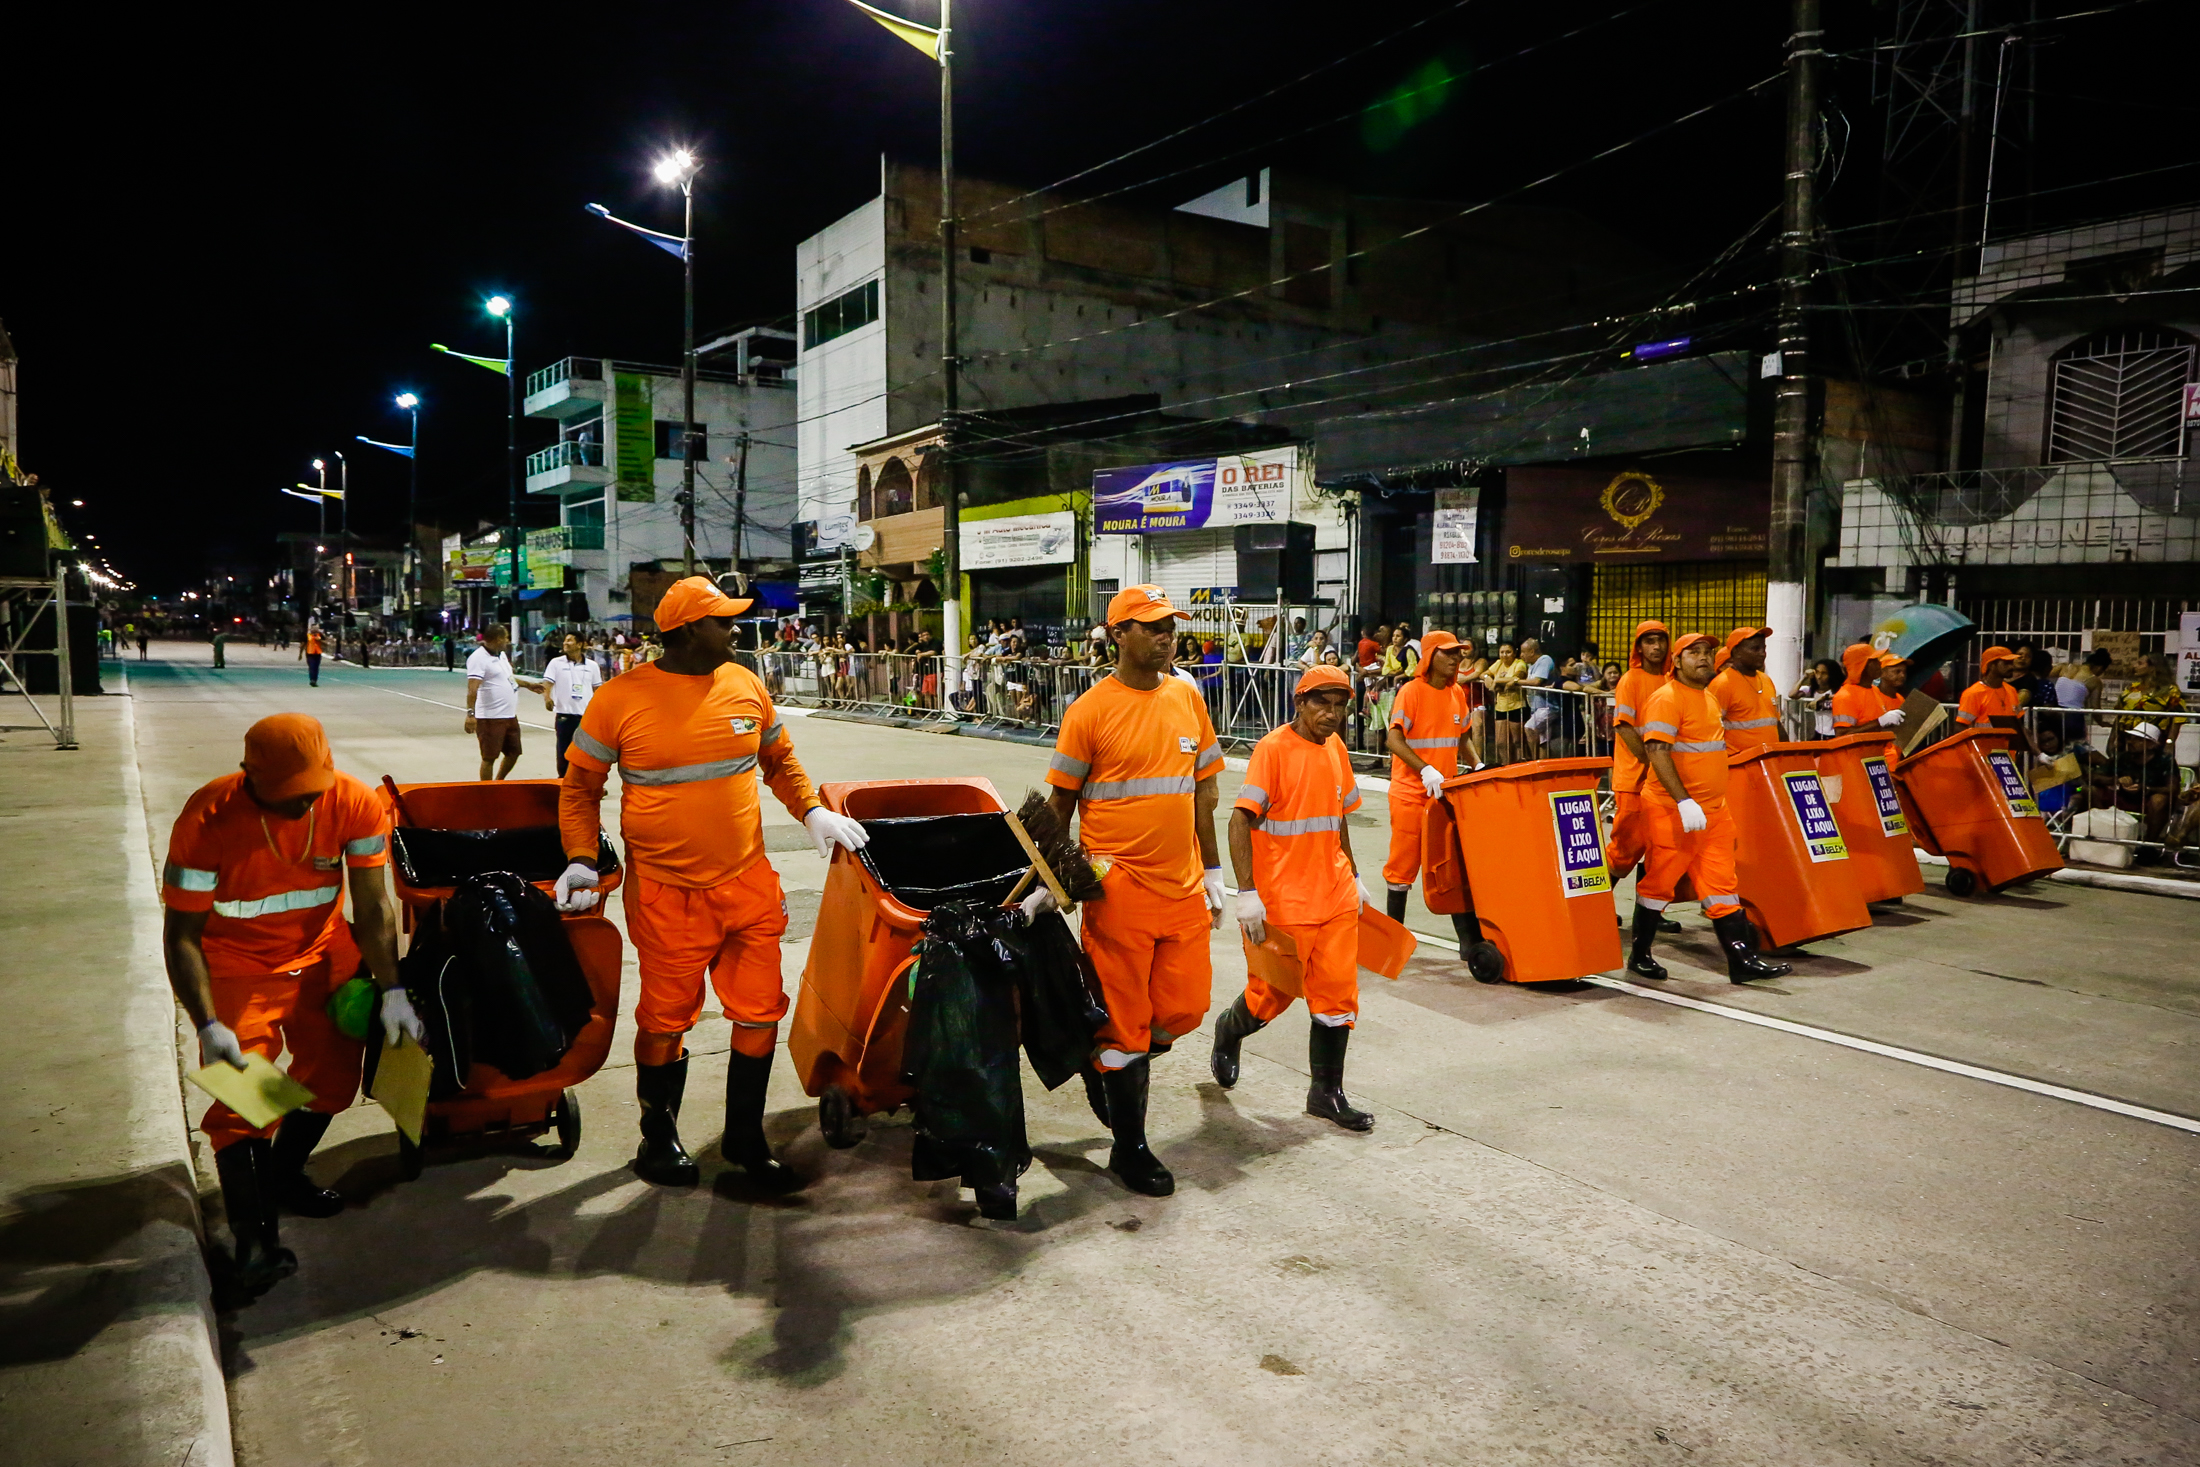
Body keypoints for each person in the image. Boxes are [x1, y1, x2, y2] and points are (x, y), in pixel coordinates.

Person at [556, 576, 869, 1190]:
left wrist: (812, 811)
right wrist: (579, 859)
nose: (736, 630)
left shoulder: (745, 684)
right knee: (665, 1021)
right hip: (667, 892)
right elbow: (579, 790)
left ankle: (746, 1141)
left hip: (746, 883)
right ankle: (658, 1139)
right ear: (690, 630)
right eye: (724, 621)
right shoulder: (619, 699)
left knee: (759, 1013)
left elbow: (779, 760)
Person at [160, 714, 420, 1298]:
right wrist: (207, 1022)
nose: (301, 809)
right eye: (285, 798)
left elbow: (374, 905)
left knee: (332, 1076)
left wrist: (393, 986)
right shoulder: (207, 818)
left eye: (309, 795)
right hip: (234, 966)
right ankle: (255, 1242)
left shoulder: (353, 802)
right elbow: (181, 934)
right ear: (249, 775)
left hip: (323, 950)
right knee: (244, 1099)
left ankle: (280, 1174)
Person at [1034, 584, 1225, 1198]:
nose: (1166, 634)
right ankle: (1130, 1147)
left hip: (1183, 885)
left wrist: (1217, 873)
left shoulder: (1188, 698)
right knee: (1127, 1026)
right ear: (1117, 634)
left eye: (1169, 624)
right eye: (1150, 626)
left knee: (1183, 1009)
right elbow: (1059, 804)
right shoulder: (1089, 710)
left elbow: (1205, 793)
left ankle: (1105, 1066)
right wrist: (1052, 879)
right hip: (1118, 891)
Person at [1211, 664, 1375, 1131]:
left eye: (1340, 704)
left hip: (1335, 896)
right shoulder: (1273, 749)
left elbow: (1338, 815)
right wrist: (1247, 893)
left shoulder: (1337, 749)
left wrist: (1355, 874)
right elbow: (1239, 820)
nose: (1332, 713)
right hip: (1285, 901)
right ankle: (1229, 1029)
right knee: (1271, 997)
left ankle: (1326, 1094)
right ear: (1299, 703)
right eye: (1321, 702)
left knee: (1338, 998)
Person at [1629, 633, 1790, 984]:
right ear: (1677, 661)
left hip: (1713, 811)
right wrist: (1684, 801)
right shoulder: (1667, 698)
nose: (1703, 658)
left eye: (1708, 652)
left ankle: (1741, 961)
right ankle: (1639, 955)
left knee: (1722, 884)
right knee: (1660, 883)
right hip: (1674, 810)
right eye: (1694, 653)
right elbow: (1657, 752)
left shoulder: (1707, 698)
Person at [1380, 630, 1471, 940]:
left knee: (1452, 865)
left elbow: (1465, 735)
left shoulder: (1457, 692)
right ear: (1431, 656)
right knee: (1402, 867)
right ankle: (1395, 936)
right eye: (1450, 652)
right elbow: (1393, 738)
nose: (1457, 658)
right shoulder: (1411, 692)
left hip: (1444, 795)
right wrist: (1426, 769)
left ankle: (1468, 942)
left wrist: (1478, 765)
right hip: (1411, 794)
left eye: (1459, 653)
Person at [1608, 622, 1679, 933]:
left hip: (1660, 780)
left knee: (1656, 848)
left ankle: (1649, 912)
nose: (1657, 647)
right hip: (1634, 779)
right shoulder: (1631, 680)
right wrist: (1652, 763)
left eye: (1661, 641)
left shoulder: (1670, 681)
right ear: (1639, 647)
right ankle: (1595, 903)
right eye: (1649, 641)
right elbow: (1623, 726)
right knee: (1625, 849)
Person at [465, 625, 544, 781]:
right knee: (489, 757)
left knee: (514, 752)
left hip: (508, 715)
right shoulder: (478, 658)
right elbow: (472, 689)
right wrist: (470, 714)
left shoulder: (500, 656)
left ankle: (499, 781)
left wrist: (528, 685)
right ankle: (487, 790)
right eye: (506, 637)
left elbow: (508, 678)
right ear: (497, 639)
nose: (508, 641)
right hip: (490, 717)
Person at [1707, 627, 1783, 751]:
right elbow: (1710, 731)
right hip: (1737, 764)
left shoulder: (1766, 680)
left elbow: (1776, 724)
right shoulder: (1722, 684)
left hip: (1768, 763)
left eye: (1764, 648)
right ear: (1736, 652)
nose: (1762, 653)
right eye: (1755, 649)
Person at [543, 633, 602, 776]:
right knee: (564, 751)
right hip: (565, 715)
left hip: (585, 716)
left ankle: (587, 782)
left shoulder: (592, 666)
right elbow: (547, 683)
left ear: (580, 644)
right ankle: (563, 780)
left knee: (587, 752)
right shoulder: (556, 663)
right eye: (565, 640)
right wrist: (547, 698)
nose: (565, 643)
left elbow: (598, 689)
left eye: (569, 640)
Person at [1832, 644, 1905, 736]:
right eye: (1874, 660)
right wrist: (1879, 722)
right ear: (1862, 665)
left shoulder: (1875, 691)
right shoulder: (1845, 696)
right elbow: (1842, 734)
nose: (1879, 663)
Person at [1956, 645, 2022, 739]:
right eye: (2006, 663)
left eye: (2011, 663)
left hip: (2008, 752)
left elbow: (2019, 726)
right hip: (1984, 751)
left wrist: (2039, 754)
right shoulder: (1973, 693)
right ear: (1991, 665)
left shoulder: (2011, 690)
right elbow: (1960, 727)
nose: (2012, 667)